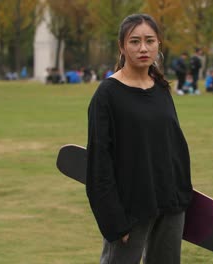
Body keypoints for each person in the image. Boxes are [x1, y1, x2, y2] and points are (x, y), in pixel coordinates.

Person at [86, 14, 193, 264]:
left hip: (170, 203)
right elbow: (98, 163)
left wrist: (182, 194)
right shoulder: (107, 95)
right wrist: (113, 219)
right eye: (134, 41)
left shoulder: (161, 88)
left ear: (159, 45)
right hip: (130, 208)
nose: (143, 48)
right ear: (122, 47)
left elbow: (174, 146)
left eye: (149, 41)